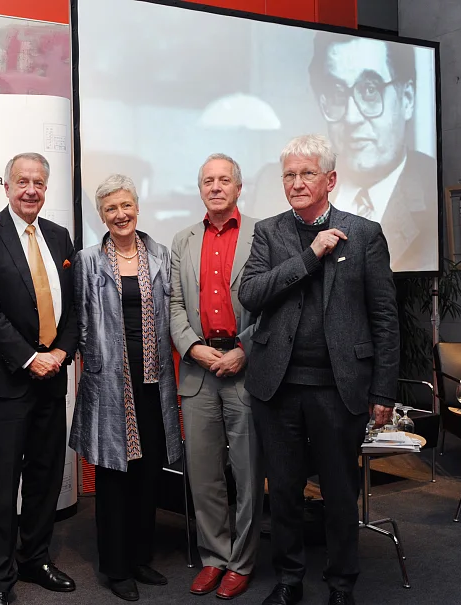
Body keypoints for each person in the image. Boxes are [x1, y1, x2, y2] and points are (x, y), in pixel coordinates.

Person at [239, 134, 399, 605]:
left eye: (307, 173)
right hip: (278, 387)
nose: (297, 182)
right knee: (284, 493)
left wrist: (384, 391)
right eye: (289, 174)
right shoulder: (269, 232)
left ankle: (340, 584)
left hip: (339, 388)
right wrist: (310, 257)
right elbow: (251, 294)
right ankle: (289, 581)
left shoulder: (365, 233)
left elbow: (384, 317)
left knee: (338, 494)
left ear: (330, 179)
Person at [0, 152, 78, 605]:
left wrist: (62, 353)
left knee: (47, 474)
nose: (31, 190)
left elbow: (73, 305)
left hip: (53, 374)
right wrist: (30, 357)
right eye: (22, 181)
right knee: (5, 480)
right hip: (8, 378)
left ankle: (35, 558)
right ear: (7, 186)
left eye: (39, 183)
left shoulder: (59, 235)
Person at [71, 174, 181, 602]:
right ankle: (115, 568)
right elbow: (80, 321)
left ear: (137, 207)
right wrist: (94, 363)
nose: (120, 215)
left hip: (154, 380)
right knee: (114, 476)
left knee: (148, 473)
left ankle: (139, 557)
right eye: (111, 209)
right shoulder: (87, 260)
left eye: (126, 206)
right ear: (102, 215)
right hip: (109, 383)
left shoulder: (160, 254)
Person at [170, 154, 263, 601]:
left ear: (238, 187)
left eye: (224, 180)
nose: (216, 186)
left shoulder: (262, 235)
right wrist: (193, 347)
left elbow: (275, 303)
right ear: (201, 188)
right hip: (199, 369)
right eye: (208, 180)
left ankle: (242, 562)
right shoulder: (183, 240)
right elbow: (172, 306)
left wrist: (243, 350)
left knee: (246, 473)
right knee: (203, 473)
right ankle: (214, 558)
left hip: (244, 370)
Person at [308, 32, 436, 272]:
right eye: (337, 93)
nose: (351, 117)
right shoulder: (293, 191)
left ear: (407, 98)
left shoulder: (430, 193)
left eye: (370, 90)